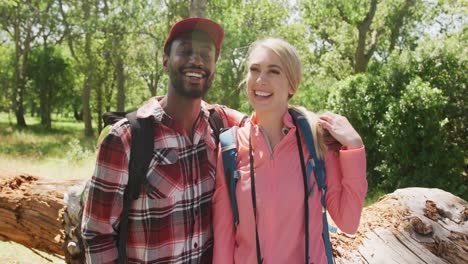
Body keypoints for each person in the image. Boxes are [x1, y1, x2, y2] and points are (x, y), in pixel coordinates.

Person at [81, 18, 247, 263]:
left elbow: (265, 123)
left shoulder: (218, 123)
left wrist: (314, 126)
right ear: (166, 60)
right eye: (185, 51)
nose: (197, 60)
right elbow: (97, 235)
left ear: (214, 65)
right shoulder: (126, 139)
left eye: (205, 54)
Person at [212, 38, 368, 264]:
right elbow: (224, 235)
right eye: (254, 70)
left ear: (292, 85)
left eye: (273, 72)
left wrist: (354, 147)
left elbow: (348, 221)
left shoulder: (316, 141)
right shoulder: (231, 146)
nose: (260, 80)